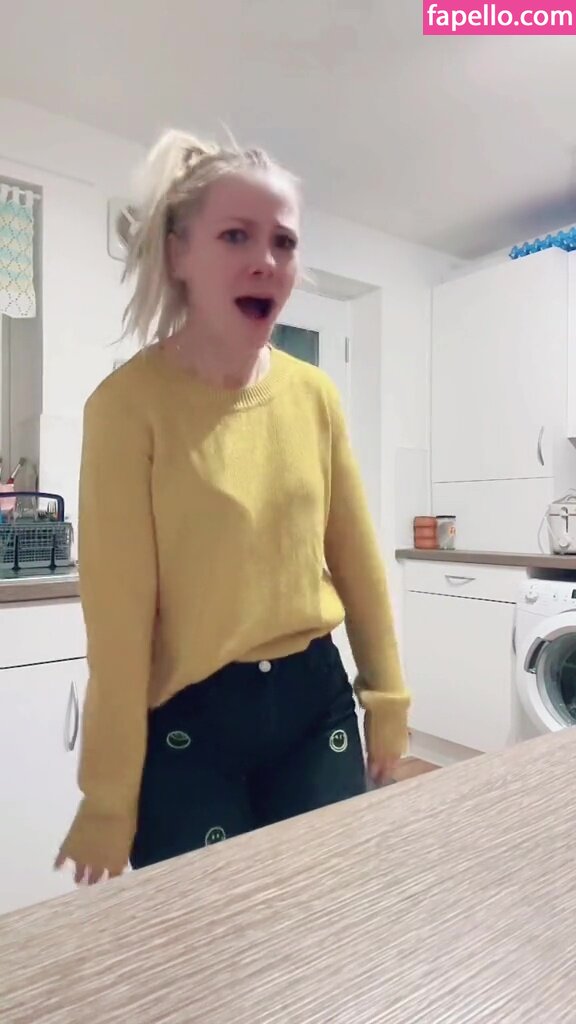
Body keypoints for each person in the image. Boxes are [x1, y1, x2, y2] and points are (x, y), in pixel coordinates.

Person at [56, 129, 410, 884]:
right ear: (178, 254)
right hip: (190, 721)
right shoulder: (125, 409)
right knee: (207, 929)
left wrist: (387, 698)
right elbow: (118, 626)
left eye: (284, 241)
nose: (266, 260)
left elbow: (356, 561)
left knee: (321, 907)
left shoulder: (314, 395)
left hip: (313, 701)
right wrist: (108, 796)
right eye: (236, 236)